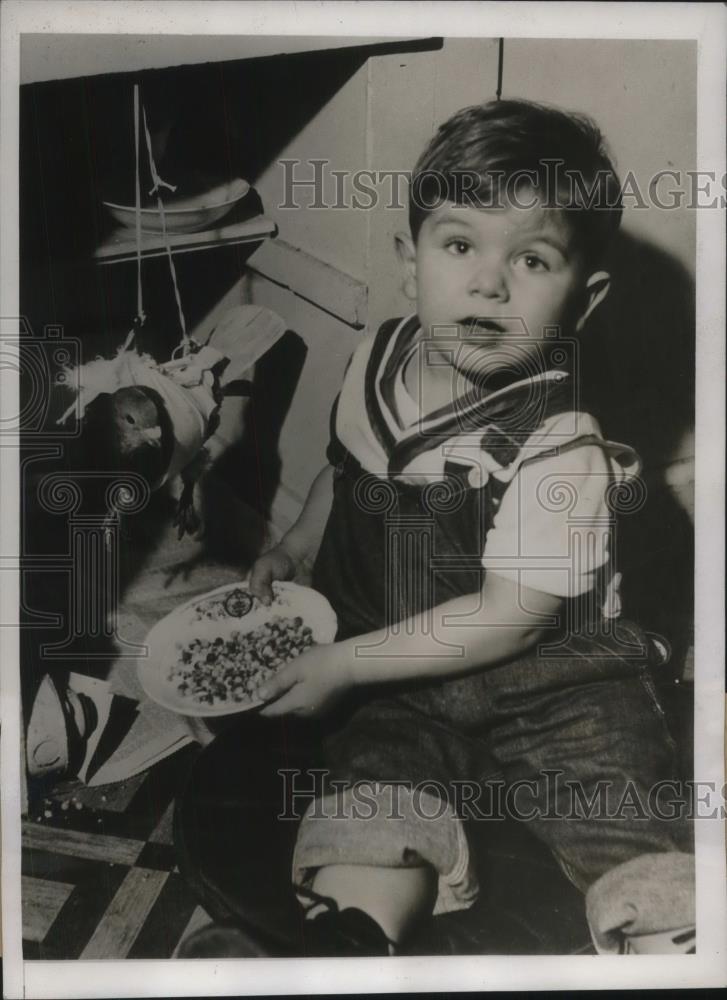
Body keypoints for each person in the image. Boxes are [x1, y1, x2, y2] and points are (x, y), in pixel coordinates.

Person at [181, 99, 693, 958]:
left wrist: (343, 662)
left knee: (608, 804)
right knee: (373, 795)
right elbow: (345, 474)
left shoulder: (557, 443)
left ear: (585, 296)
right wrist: (296, 545)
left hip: (552, 685)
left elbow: (511, 614)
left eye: (531, 259)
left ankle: (667, 943)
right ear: (409, 264)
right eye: (459, 245)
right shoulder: (376, 357)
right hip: (400, 673)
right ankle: (348, 942)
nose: (488, 283)